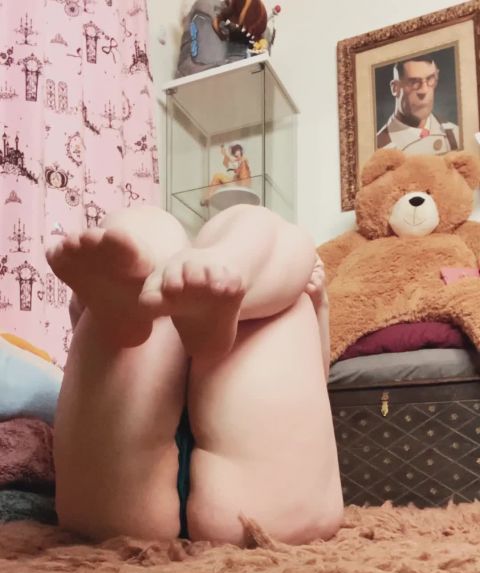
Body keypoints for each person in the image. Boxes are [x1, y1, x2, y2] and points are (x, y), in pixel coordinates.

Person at [45, 204, 343, 547]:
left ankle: (147, 284)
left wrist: (90, 305)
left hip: (113, 496)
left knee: (147, 226)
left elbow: (84, 358)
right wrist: (317, 303)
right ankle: (230, 268)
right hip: (264, 498)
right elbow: (315, 385)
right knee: (262, 227)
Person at [376, 55, 460, 154]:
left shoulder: (455, 134)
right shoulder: (378, 148)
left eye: (430, 79)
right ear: (395, 88)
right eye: (414, 82)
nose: (424, 90)